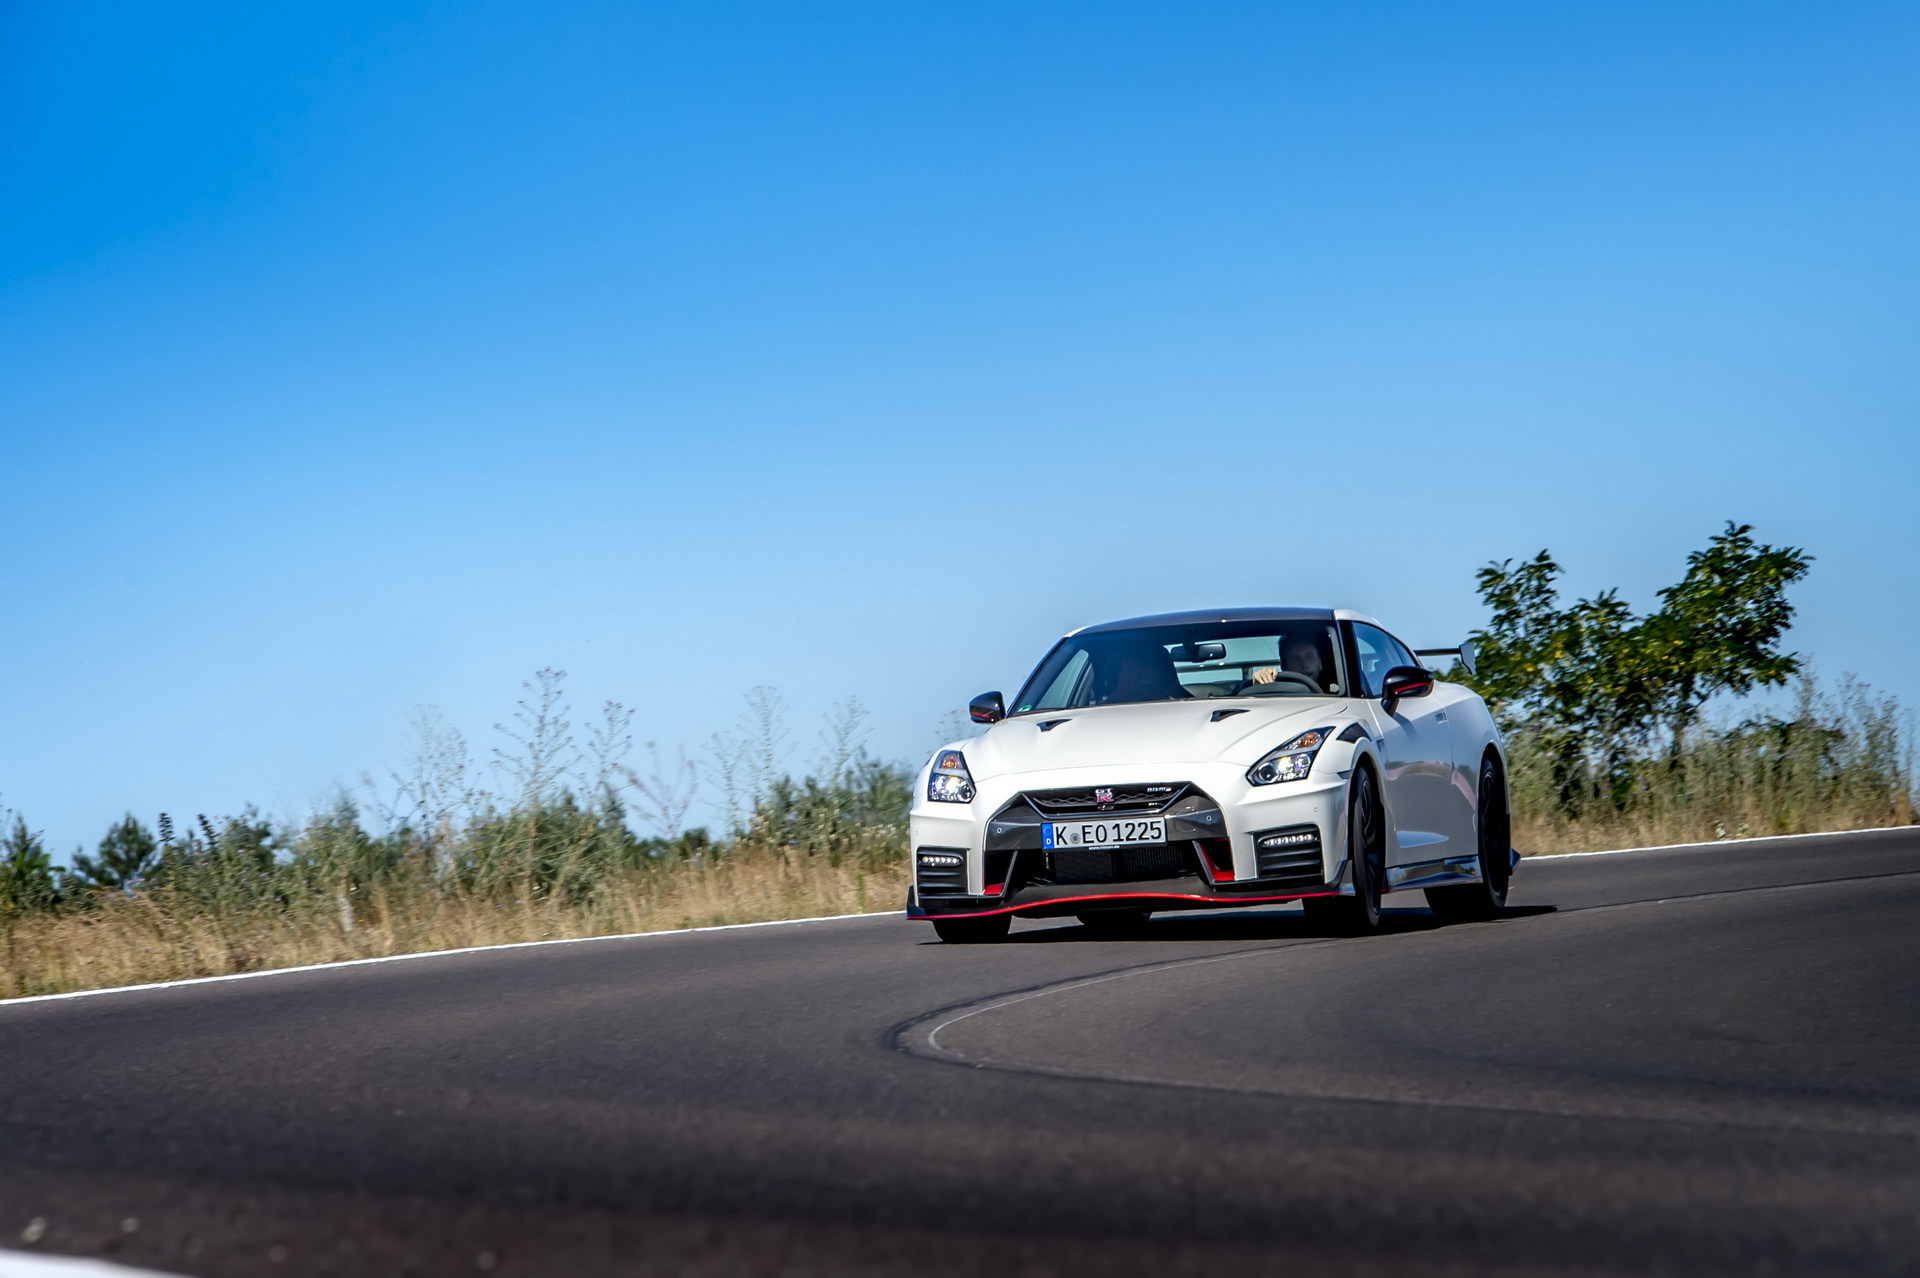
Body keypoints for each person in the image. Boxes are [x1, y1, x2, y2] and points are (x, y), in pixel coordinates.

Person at [1248, 636, 1324, 692]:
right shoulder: (1277, 695)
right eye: (1295, 660)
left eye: (1310, 657)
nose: (1305, 665)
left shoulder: (1335, 701)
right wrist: (1261, 687)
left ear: (1320, 663)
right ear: (1284, 666)